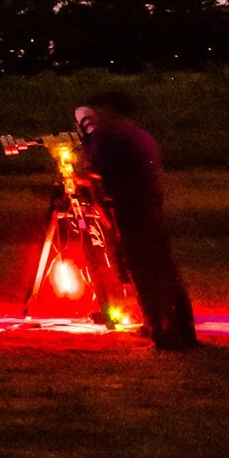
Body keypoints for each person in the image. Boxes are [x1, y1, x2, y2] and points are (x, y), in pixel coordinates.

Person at [73, 95, 198, 351]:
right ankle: (185, 331)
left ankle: (161, 332)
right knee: (166, 271)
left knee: (144, 274)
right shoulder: (140, 136)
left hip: (130, 210)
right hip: (152, 207)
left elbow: (96, 167)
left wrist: (82, 175)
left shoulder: (111, 139)